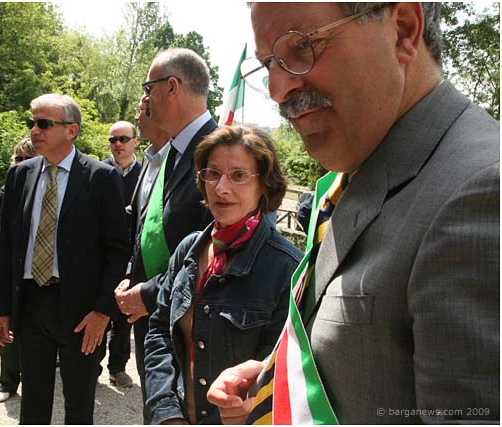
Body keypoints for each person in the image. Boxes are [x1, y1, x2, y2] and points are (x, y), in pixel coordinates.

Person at [207, 3, 499, 424]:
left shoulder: (483, 196)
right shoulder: (358, 169)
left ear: (403, 29)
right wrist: (275, 383)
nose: (276, 89)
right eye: (269, 64)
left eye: (301, 46)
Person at [144, 126, 303, 424]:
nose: (221, 188)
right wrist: (166, 412)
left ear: (264, 185)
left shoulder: (287, 268)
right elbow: (159, 333)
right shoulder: (189, 250)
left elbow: (282, 367)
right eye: (213, 173)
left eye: (238, 175)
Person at [0, 94, 130, 424]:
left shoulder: (101, 178)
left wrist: (102, 312)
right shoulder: (19, 176)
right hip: (31, 305)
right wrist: (2, 309)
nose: (34, 130)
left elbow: (118, 250)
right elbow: (9, 246)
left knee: (79, 405)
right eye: (32, 122)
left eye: (43, 123)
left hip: (82, 312)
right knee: (33, 405)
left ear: (71, 130)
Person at [114, 48, 217, 423]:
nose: (144, 98)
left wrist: (149, 293)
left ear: (171, 87)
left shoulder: (218, 152)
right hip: (155, 321)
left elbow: (220, 252)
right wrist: (133, 276)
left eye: (148, 87)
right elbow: (149, 225)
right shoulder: (172, 150)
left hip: (194, 330)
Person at [0, 137, 38, 403]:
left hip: (49, 270)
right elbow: (8, 233)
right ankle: (7, 380)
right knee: (11, 325)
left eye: (27, 159)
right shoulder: (8, 188)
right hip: (18, 268)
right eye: (18, 159)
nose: (21, 163)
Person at [99, 121, 142, 389]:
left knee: (125, 314)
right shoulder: (99, 171)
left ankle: (118, 368)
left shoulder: (146, 173)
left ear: (135, 141)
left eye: (123, 139)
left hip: (132, 254)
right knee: (97, 309)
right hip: (103, 254)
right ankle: (91, 366)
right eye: (113, 139)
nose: (118, 144)